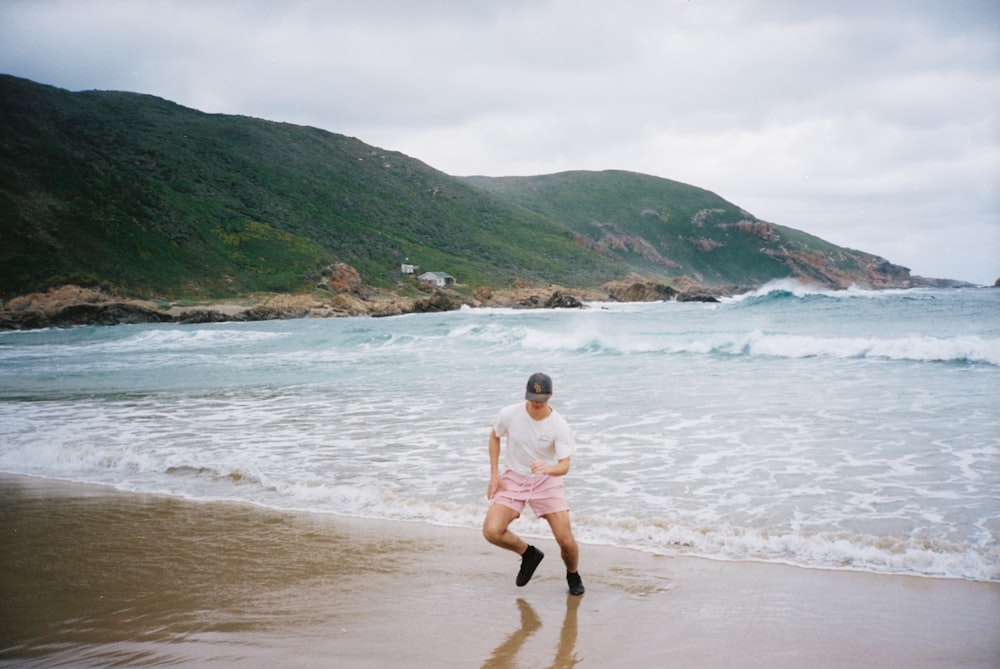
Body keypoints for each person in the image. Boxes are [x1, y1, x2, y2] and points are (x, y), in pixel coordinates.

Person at [482, 372, 585, 596]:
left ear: (551, 396)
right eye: (532, 399)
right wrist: (494, 474)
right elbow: (494, 436)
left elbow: (564, 465)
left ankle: (573, 574)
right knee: (491, 531)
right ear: (526, 395)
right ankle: (528, 554)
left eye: (542, 400)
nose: (537, 405)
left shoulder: (559, 425)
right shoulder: (509, 414)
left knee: (566, 541)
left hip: (547, 481)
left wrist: (548, 469)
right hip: (514, 478)